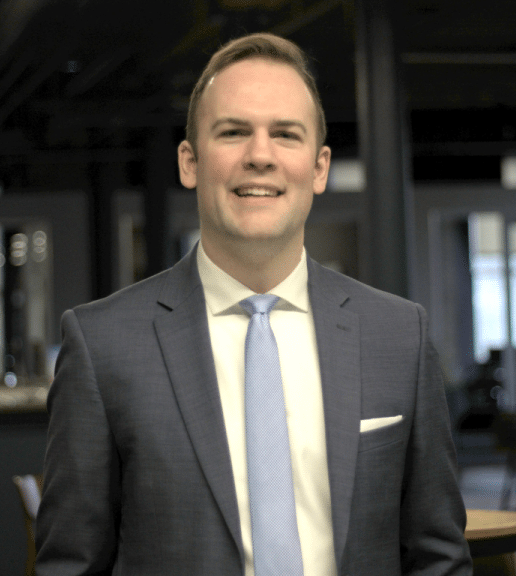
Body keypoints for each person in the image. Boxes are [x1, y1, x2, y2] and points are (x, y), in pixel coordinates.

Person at [35, 32, 471, 576]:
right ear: (190, 163)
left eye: (285, 134)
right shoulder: (102, 346)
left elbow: (438, 558)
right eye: (234, 132)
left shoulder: (398, 335)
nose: (260, 155)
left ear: (319, 167)